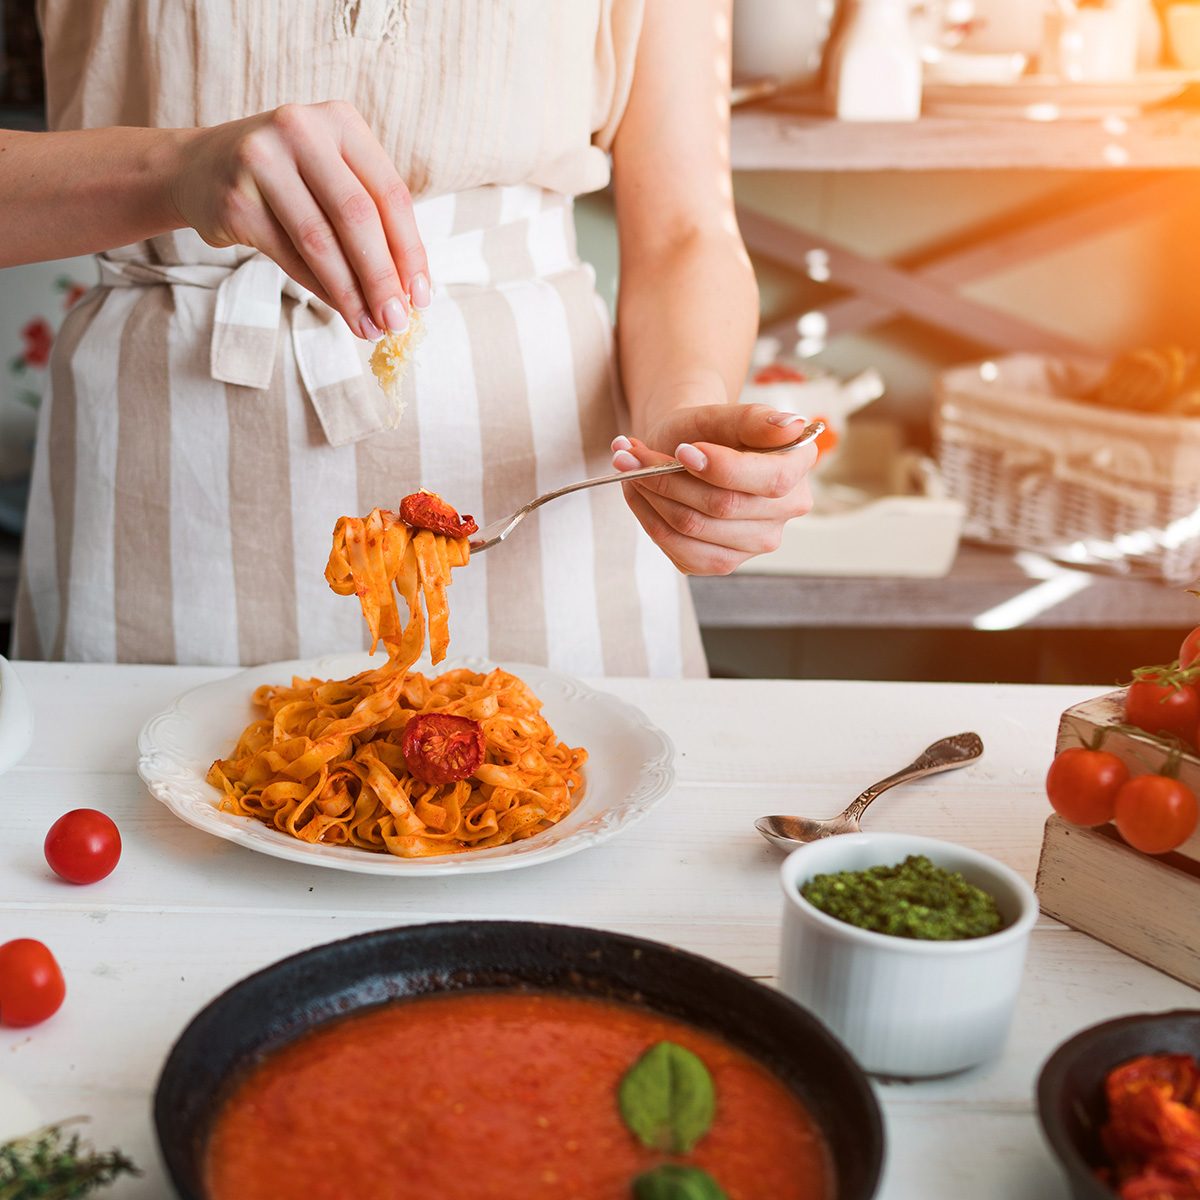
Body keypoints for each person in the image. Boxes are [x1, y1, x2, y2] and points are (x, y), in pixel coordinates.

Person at [1, 0, 815, 676]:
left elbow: (685, 232)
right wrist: (171, 169)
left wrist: (677, 419)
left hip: (539, 462)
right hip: (165, 460)